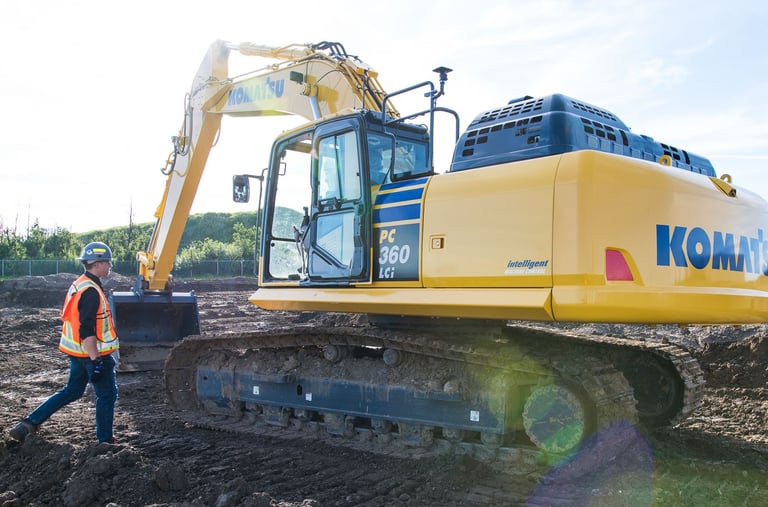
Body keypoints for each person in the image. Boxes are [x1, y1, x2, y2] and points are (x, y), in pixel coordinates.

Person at [8, 242, 120, 444]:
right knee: (107, 395)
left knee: (72, 391)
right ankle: (105, 440)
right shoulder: (91, 292)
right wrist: (96, 360)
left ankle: (28, 424)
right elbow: (86, 329)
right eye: (107, 262)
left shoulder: (80, 284)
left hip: (77, 352)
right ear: (96, 264)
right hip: (91, 354)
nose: (110, 265)